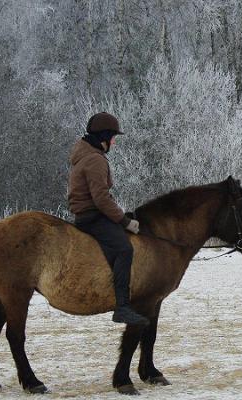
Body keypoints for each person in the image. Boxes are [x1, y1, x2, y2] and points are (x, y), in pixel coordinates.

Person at [67, 112, 148, 327]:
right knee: (124, 249)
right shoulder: (95, 160)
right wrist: (124, 222)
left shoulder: (85, 155)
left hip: (90, 213)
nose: (114, 142)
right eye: (112, 137)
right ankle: (122, 307)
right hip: (92, 217)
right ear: (103, 137)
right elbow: (101, 198)